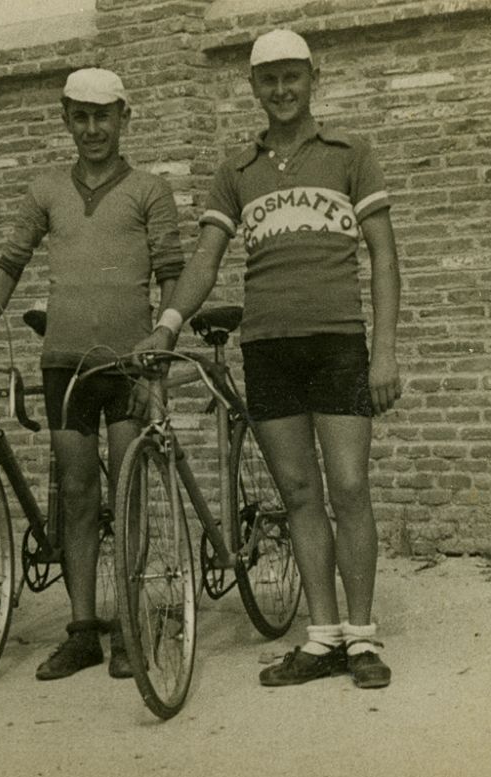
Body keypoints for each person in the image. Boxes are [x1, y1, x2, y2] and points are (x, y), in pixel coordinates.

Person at [135, 29, 401, 689]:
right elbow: (204, 260)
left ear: (314, 78)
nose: (281, 90)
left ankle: (363, 638)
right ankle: (322, 637)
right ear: (252, 87)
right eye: (268, 79)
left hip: (338, 341)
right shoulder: (237, 172)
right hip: (269, 349)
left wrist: (385, 351)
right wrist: (167, 325)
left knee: (349, 488)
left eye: (292, 77)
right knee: (299, 494)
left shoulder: (351, 156)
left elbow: (385, 257)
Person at [0, 68, 185, 681]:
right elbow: (9, 265)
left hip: (129, 363)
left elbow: (172, 271)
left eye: (103, 116)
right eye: (80, 117)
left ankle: (131, 625)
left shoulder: (149, 189)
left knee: (129, 495)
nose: (92, 129)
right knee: (80, 499)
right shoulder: (44, 191)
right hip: (65, 363)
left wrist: (159, 358)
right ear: (66, 119)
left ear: (123, 118)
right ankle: (84, 627)